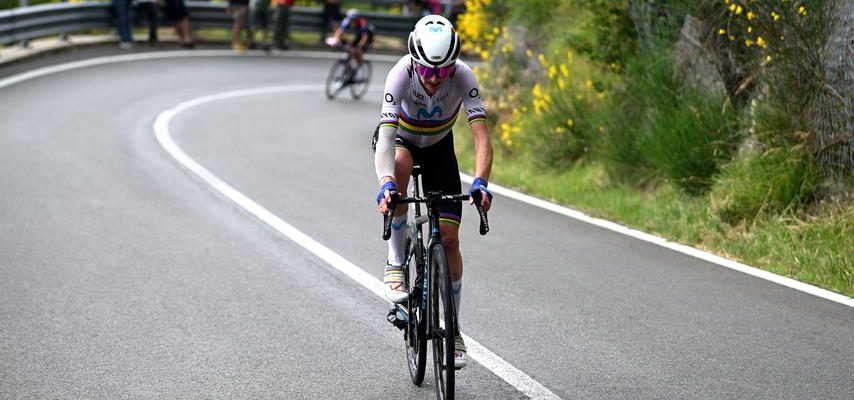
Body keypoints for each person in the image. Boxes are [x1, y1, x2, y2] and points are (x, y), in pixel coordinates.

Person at [374, 15, 493, 369]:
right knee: (400, 167)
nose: (435, 78)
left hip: (441, 148)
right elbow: (385, 137)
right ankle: (396, 263)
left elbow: (482, 137)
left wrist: (482, 181)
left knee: (451, 240)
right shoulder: (399, 75)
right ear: (414, 60)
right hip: (403, 143)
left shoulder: (463, 76)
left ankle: (453, 328)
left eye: (444, 71)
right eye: (427, 70)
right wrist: (386, 185)